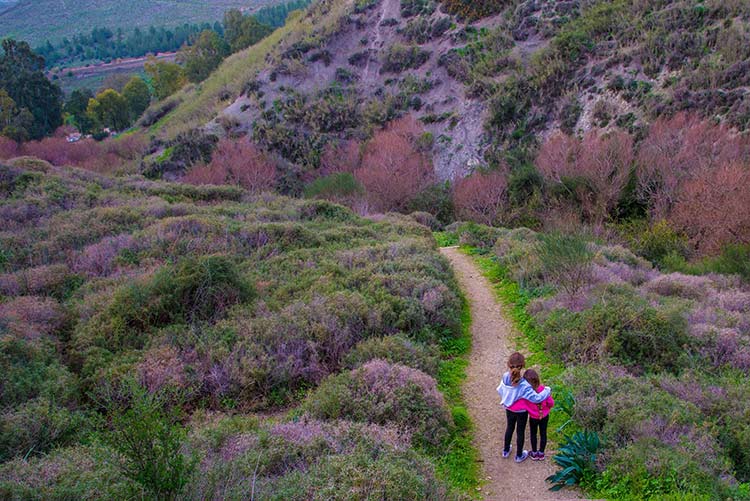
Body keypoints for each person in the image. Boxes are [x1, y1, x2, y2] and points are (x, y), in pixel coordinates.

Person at [496, 352, 550, 463]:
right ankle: (519, 455)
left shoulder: (505, 377)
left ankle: (506, 451)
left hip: (509, 408)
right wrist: (547, 390)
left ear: (509, 364)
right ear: (522, 366)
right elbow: (537, 398)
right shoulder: (524, 384)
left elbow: (500, 389)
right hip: (521, 411)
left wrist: (507, 400)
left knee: (509, 428)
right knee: (520, 432)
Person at [508, 368, 554, 461]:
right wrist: (546, 409)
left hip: (533, 417)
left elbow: (523, 405)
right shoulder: (544, 390)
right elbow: (551, 403)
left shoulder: (527, 393)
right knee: (543, 433)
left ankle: (534, 453)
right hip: (545, 416)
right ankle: (541, 453)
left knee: (533, 434)